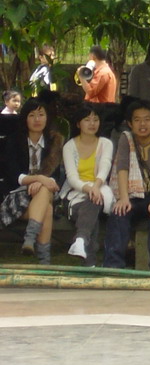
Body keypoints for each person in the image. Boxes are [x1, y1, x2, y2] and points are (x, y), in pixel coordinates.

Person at [103, 100, 150, 272]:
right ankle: (113, 265)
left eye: (147, 119)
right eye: (137, 120)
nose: (142, 124)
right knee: (119, 212)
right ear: (130, 123)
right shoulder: (126, 140)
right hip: (134, 194)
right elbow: (122, 168)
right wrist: (123, 198)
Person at [0, 97, 63, 264]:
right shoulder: (13, 141)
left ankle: (30, 239)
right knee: (47, 210)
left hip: (46, 191)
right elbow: (14, 176)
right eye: (32, 115)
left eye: (41, 115)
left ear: (47, 117)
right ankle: (44, 262)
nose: (37, 119)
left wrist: (41, 181)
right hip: (17, 197)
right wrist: (38, 178)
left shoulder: (54, 142)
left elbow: (55, 179)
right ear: (25, 118)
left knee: (44, 189)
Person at [60, 106, 114, 265]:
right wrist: (89, 189)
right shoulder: (69, 146)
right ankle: (89, 260)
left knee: (94, 201)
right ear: (78, 124)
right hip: (75, 194)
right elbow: (72, 178)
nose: (92, 123)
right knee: (92, 210)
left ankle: (81, 242)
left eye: (95, 119)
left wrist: (96, 187)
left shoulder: (105, 143)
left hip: (99, 190)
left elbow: (105, 167)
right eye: (87, 119)